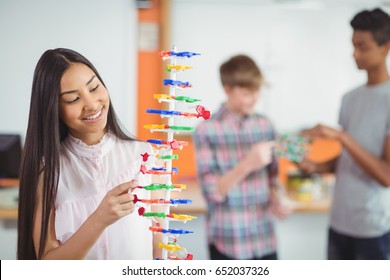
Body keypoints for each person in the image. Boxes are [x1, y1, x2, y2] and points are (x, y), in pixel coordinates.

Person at [17, 48, 159, 260]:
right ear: (53, 108)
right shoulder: (47, 171)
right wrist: (99, 219)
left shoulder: (144, 156)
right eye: (73, 99)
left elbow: (159, 246)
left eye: (94, 88)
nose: (92, 104)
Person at [299, 8, 390, 259]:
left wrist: (342, 136)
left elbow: (386, 175)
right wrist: (316, 167)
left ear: (385, 47)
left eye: (362, 46)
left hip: (372, 229)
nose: (355, 53)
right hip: (339, 222)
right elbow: (348, 159)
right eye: (353, 45)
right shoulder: (350, 98)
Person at [193, 54, 289, 260]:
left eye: (257, 91)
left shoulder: (265, 124)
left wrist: (276, 199)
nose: (255, 98)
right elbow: (211, 192)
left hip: (264, 240)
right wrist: (247, 164)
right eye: (247, 93)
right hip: (228, 242)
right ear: (227, 89)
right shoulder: (206, 131)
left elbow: (272, 177)